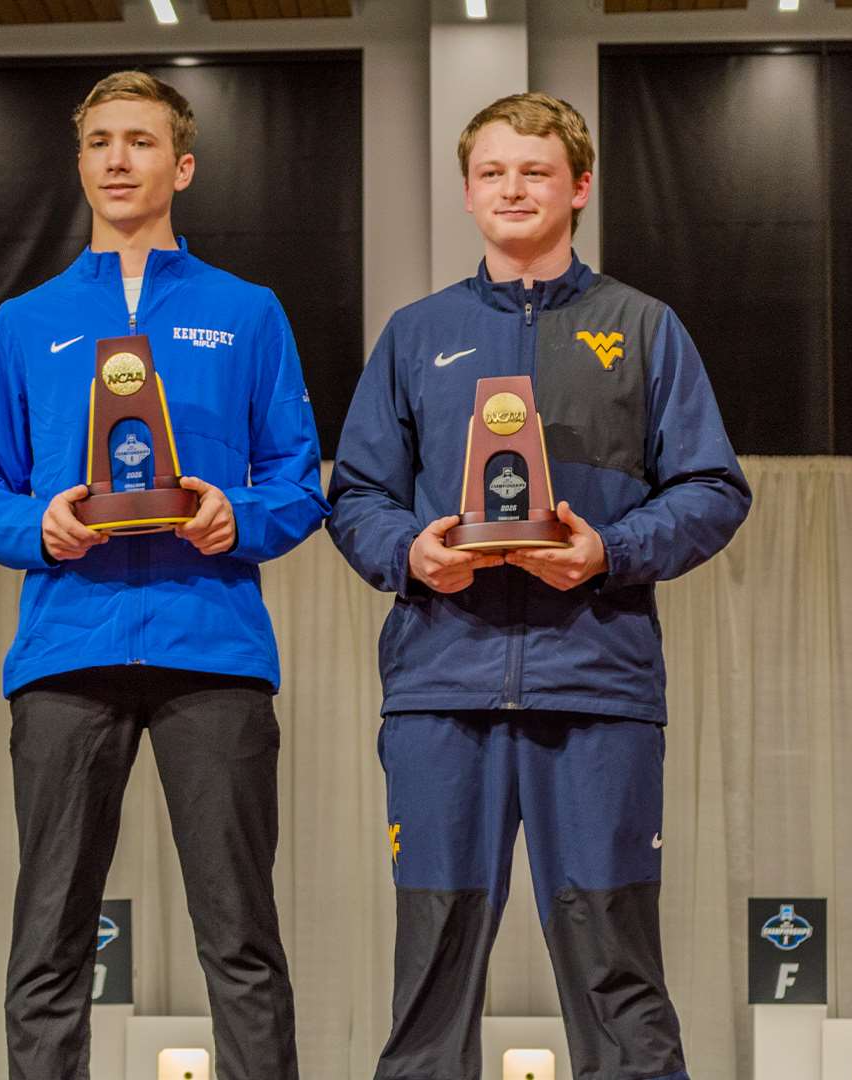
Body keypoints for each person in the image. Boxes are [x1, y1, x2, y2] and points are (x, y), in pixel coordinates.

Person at [327, 92, 752, 1080]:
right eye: (492, 173)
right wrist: (411, 552)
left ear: (580, 186)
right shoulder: (414, 335)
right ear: (469, 193)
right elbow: (355, 496)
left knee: (618, 974)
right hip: (440, 689)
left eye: (535, 171)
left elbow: (711, 488)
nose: (513, 188)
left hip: (595, 690)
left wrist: (609, 549)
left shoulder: (642, 328)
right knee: (430, 977)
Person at [0, 71, 328, 1080]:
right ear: (80, 165)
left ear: (182, 165)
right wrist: (42, 524)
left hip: (214, 648)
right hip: (68, 648)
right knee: (52, 934)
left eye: (142, 142)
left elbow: (298, 481)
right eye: (101, 141)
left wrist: (232, 513)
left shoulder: (248, 314)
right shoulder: (22, 325)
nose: (120, 158)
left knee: (239, 933)